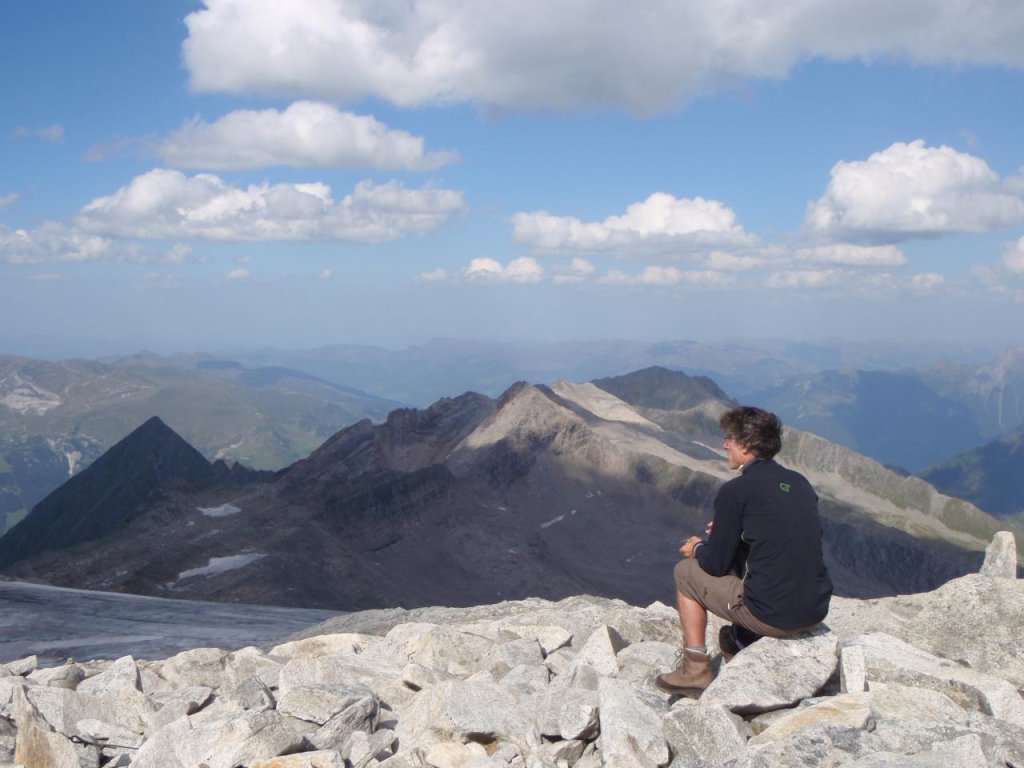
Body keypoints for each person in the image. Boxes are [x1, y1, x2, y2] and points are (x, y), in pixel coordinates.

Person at [654, 406, 833, 697]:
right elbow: (783, 537)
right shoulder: (799, 483)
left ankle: (695, 670)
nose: (725, 445)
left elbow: (715, 564)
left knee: (685, 572)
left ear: (746, 445)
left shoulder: (736, 491)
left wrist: (697, 546)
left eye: (729, 439)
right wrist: (734, 532)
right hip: (815, 609)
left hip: (774, 615)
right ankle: (742, 639)